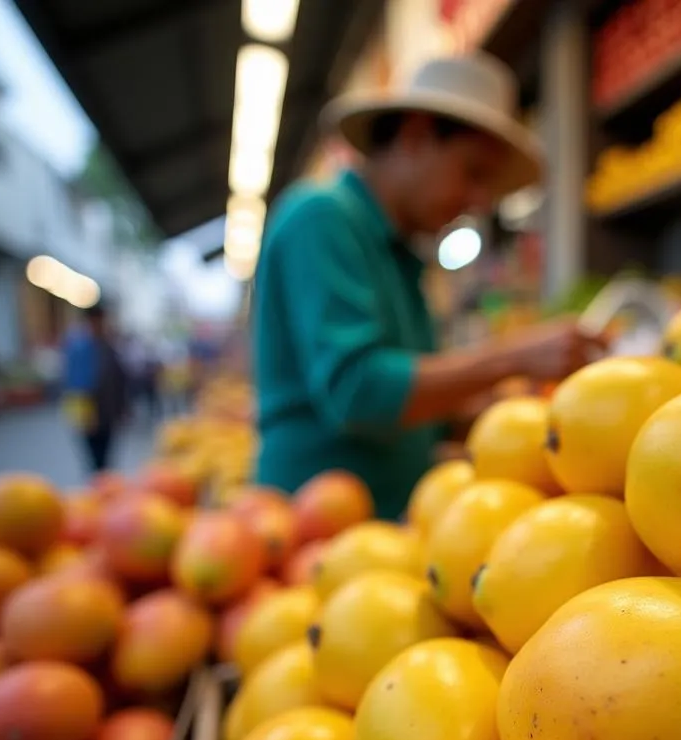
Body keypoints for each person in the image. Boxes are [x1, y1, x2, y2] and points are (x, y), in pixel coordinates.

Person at [252, 53, 601, 520]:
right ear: (416, 137)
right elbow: (358, 391)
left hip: (391, 526)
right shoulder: (321, 219)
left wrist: (524, 419)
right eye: (473, 173)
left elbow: (413, 411)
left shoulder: (402, 255)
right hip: (309, 530)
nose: (478, 201)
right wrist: (512, 357)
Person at [61, 302, 129, 473]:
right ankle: (100, 487)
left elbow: (119, 378)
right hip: (88, 409)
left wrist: (123, 407)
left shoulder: (107, 344)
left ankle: (105, 484)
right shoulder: (79, 346)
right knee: (95, 455)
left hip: (109, 410)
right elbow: (75, 383)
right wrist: (83, 414)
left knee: (106, 454)